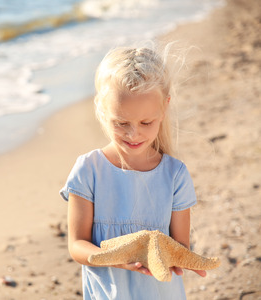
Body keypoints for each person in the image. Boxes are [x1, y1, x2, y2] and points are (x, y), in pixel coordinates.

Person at [60, 46, 206, 299]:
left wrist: (186, 259)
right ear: (103, 110)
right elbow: (76, 245)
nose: (133, 133)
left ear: (164, 108)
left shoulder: (175, 174)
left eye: (145, 123)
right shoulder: (89, 169)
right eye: (121, 123)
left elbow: (180, 246)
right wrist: (112, 258)